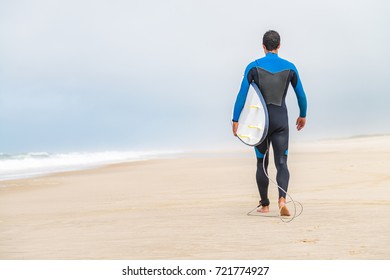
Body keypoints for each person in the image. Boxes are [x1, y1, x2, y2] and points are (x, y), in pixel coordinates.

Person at [232, 30, 307, 216]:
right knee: (282, 162)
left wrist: (235, 119)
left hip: (261, 124)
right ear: (279, 46)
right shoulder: (290, 67)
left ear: (263, 46)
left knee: (261, 162)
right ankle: (282, 198)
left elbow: (241, 95)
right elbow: (301, 95)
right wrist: (302, 115)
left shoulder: (253, 67)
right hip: (281, 120)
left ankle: (265, 205)